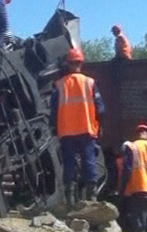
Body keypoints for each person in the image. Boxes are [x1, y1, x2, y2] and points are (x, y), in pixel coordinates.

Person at [51, 48, 105, 206]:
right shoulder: (89, 83)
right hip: (86, 128)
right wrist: (99, 124)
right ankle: (92, 196)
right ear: (81, 63)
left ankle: (70, 198)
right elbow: (100, 108)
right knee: (89, 160)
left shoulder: (59, 85)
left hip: (66, 130)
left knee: (68, 163)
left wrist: (54, 127)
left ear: (68, 64)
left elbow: (53, 110)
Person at [119, 125, 147, 232]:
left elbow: (127, 169)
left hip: (138, 188)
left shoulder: (132, 147)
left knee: (138, 223)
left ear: (136, 134)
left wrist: (121, 189)